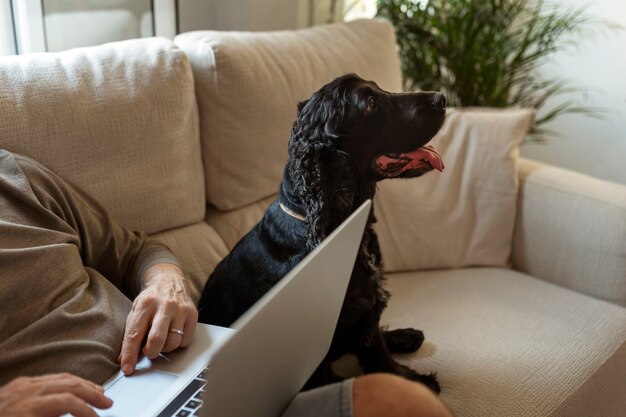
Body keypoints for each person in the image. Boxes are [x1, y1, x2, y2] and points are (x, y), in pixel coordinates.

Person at [0, 149, 453, 417]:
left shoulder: (17, 177)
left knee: (398, 401)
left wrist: (166, 282)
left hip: (187, 379)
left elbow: (139, 251)